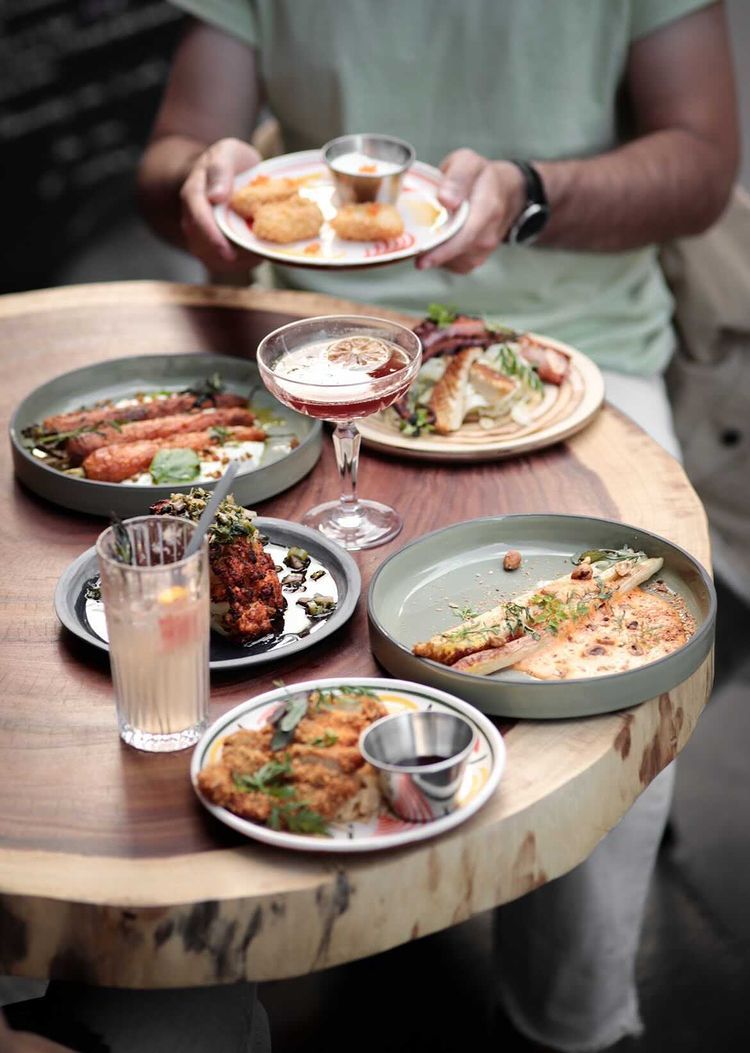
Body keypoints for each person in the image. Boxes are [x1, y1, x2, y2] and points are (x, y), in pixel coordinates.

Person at [132, 3, 739, 1051]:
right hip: (308, 336)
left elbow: (702, 165)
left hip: (576, 342)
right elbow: (173, 150)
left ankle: (569, 1022)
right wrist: (201, 179)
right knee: (236, 649)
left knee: (610, 694)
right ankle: (255, 967)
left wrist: (529, 194)